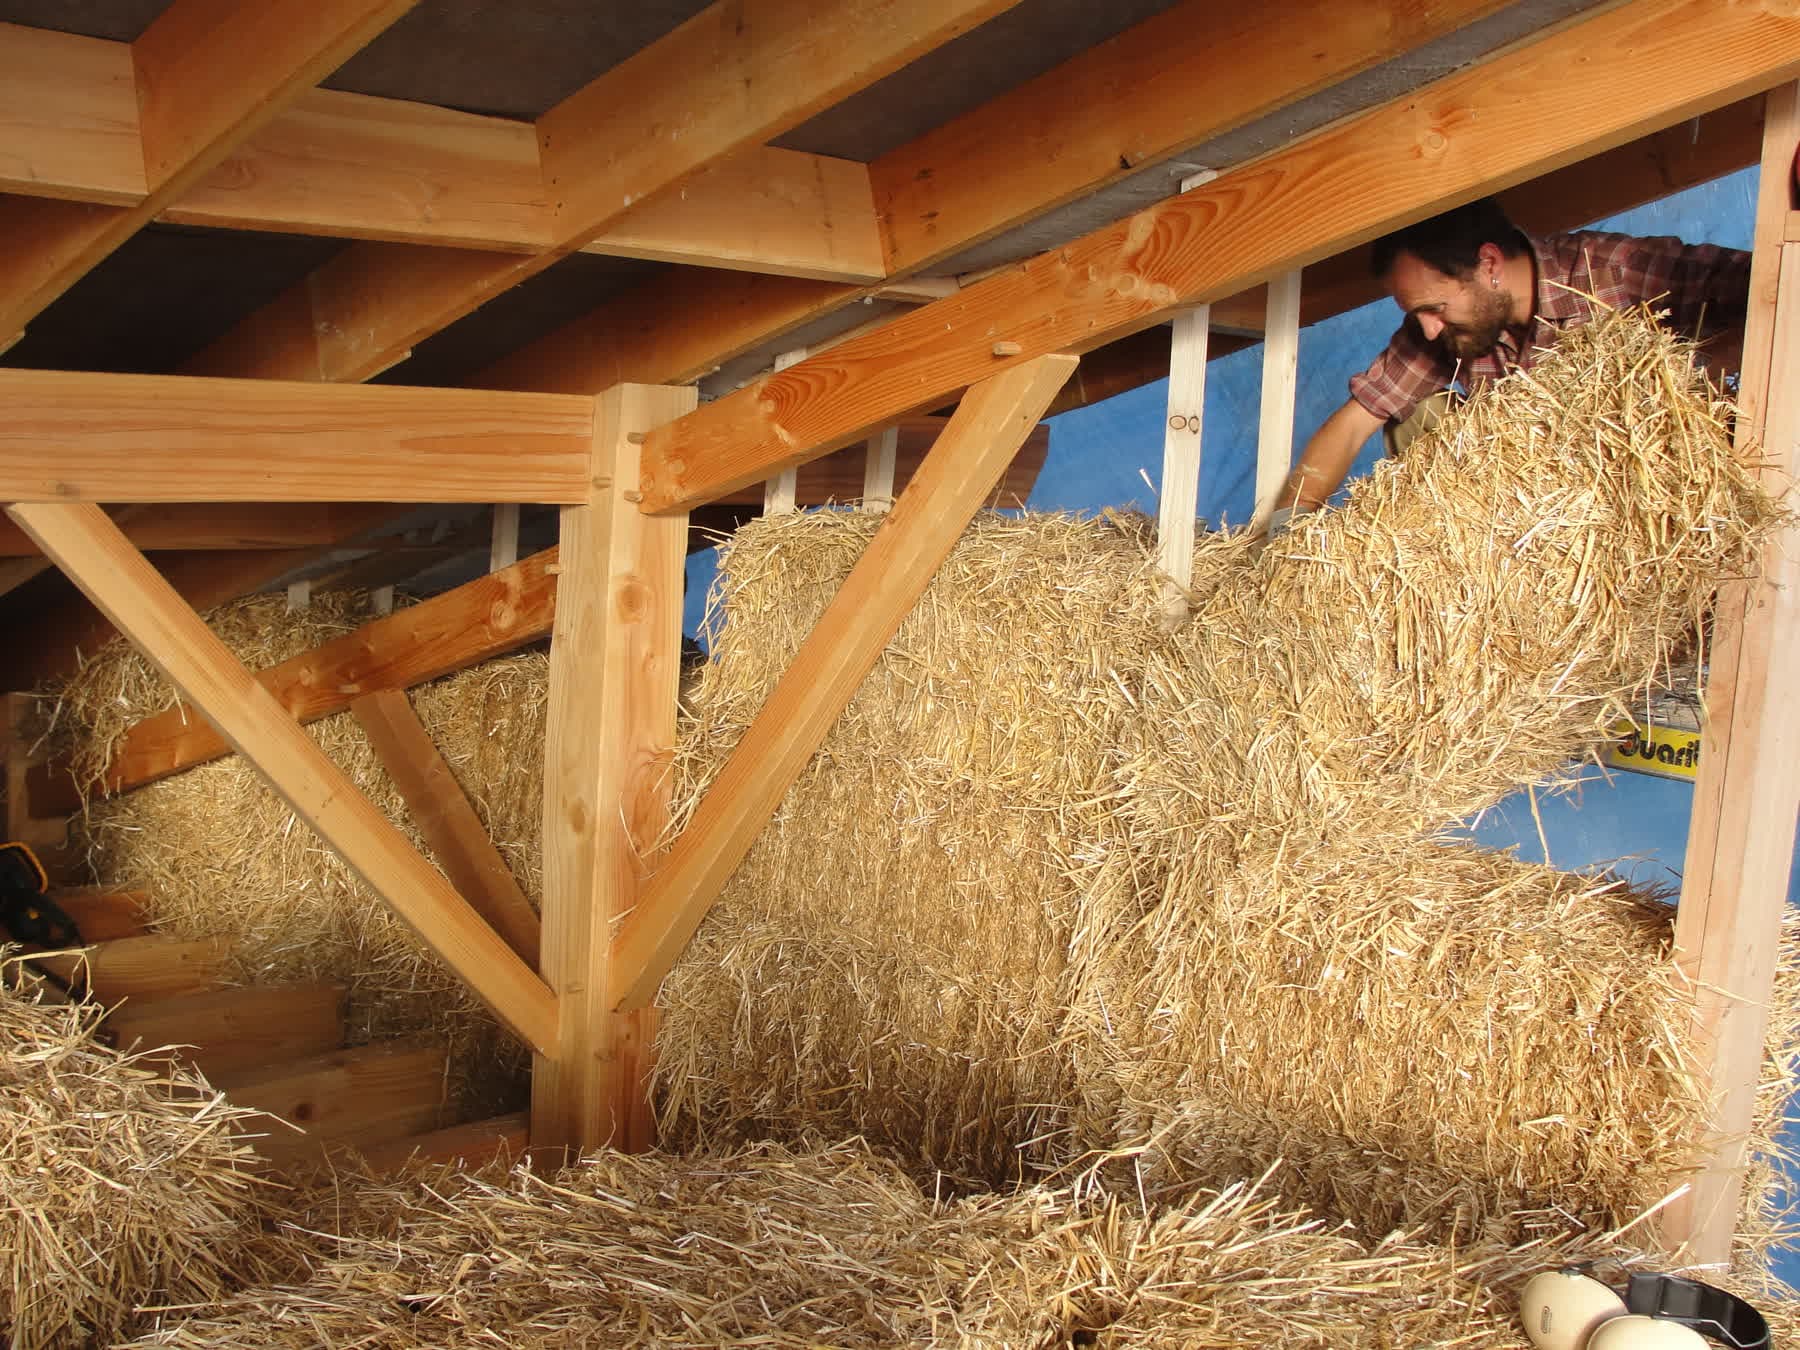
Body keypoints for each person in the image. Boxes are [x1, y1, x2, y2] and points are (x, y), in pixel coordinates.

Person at [1272, 197, 1751, 525]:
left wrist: (1672, 373)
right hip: (1530, 523)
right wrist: (1284, 536)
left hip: (1649, 504)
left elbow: (1778, 291)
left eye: (1434, 309)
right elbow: (1357, 420)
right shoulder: (1451, 330)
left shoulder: (1613, 272)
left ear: (1490, 264)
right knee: (1417, 419)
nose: (1429, 329)